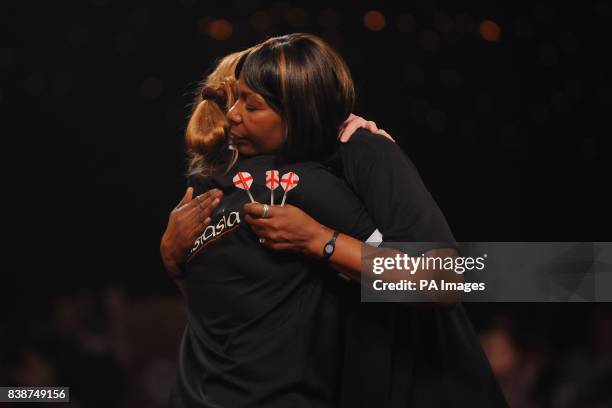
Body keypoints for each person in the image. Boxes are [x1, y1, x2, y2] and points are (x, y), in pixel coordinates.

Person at [163, 34, 508, 407]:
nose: (232, 117)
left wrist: (319, 240)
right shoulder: (271, 182)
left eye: (252, 103)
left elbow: (445, 279)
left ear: (295, 108)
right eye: (235, 99)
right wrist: (173, 259)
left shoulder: (361, 150)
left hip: (429, 386)